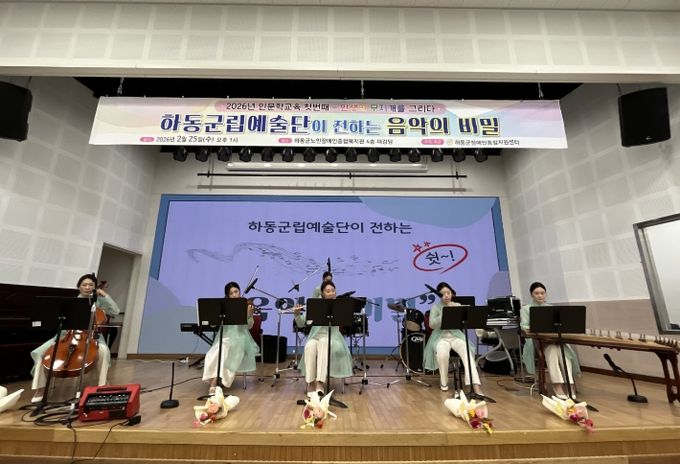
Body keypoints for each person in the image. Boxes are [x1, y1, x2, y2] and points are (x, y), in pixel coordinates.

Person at [30, 273, 120, 403]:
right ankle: (40, 388)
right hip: (65, 336)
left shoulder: (99, 302)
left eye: (91, 285)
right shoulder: (71, 302)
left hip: (92, 337)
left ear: (95, 287)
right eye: (84, 285)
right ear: (79, 287)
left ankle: (102, 385)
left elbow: (115, 311)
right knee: (40, 352)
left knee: (104, 352)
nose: (87, 287)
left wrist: (104, 295)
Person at [520, 281, 581, 399]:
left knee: (562, 351)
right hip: (537, 341)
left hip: (554, 340)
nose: (540, 295)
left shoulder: (551, 308)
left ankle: (570, 384)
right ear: (531, 294)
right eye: (536, 293)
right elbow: (525, 327)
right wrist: (537, 330)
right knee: (552, 350)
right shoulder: (526, 309)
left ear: (545, 294)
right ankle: (557, 385)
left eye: (542, 293)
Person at [423, 282, 485, 394]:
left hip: (456, 336)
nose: (446, 295)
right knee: (442, 353)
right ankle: (444, 381)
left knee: (466, 351)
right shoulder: (436, 308)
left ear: (452, 294)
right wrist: (444, 312)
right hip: (440, 337)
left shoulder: (457, 305)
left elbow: (468, 313)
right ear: (439, 295)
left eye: (448, 292)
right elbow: (432, 325)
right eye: (443, 293)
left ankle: (475, 385)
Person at [294, 281, 353, 395]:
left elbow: (346, 321)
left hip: (332, 338)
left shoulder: (339, 306)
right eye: (328, 291)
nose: (331, 293)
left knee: (323, 342)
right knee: (309, 346)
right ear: (322, 293)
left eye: (333, 291)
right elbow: (301, 324)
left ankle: (320, 382)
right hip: (315, 337)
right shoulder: (315, 306)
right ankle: (311, 382)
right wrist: (297, 314)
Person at [202, 282, 260, 395]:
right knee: (214, 353)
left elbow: (249, 326)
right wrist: (214, 316)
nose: (234, 295)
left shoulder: (246, 305)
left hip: (240, 338)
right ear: (227, 296)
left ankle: (214, 384)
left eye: (236, 291)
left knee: (224, 351)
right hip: (225, 337)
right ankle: (217, 381)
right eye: (231, 293)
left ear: (239, 291)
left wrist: (249, 315)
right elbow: (214, 324)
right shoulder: (224, 307)